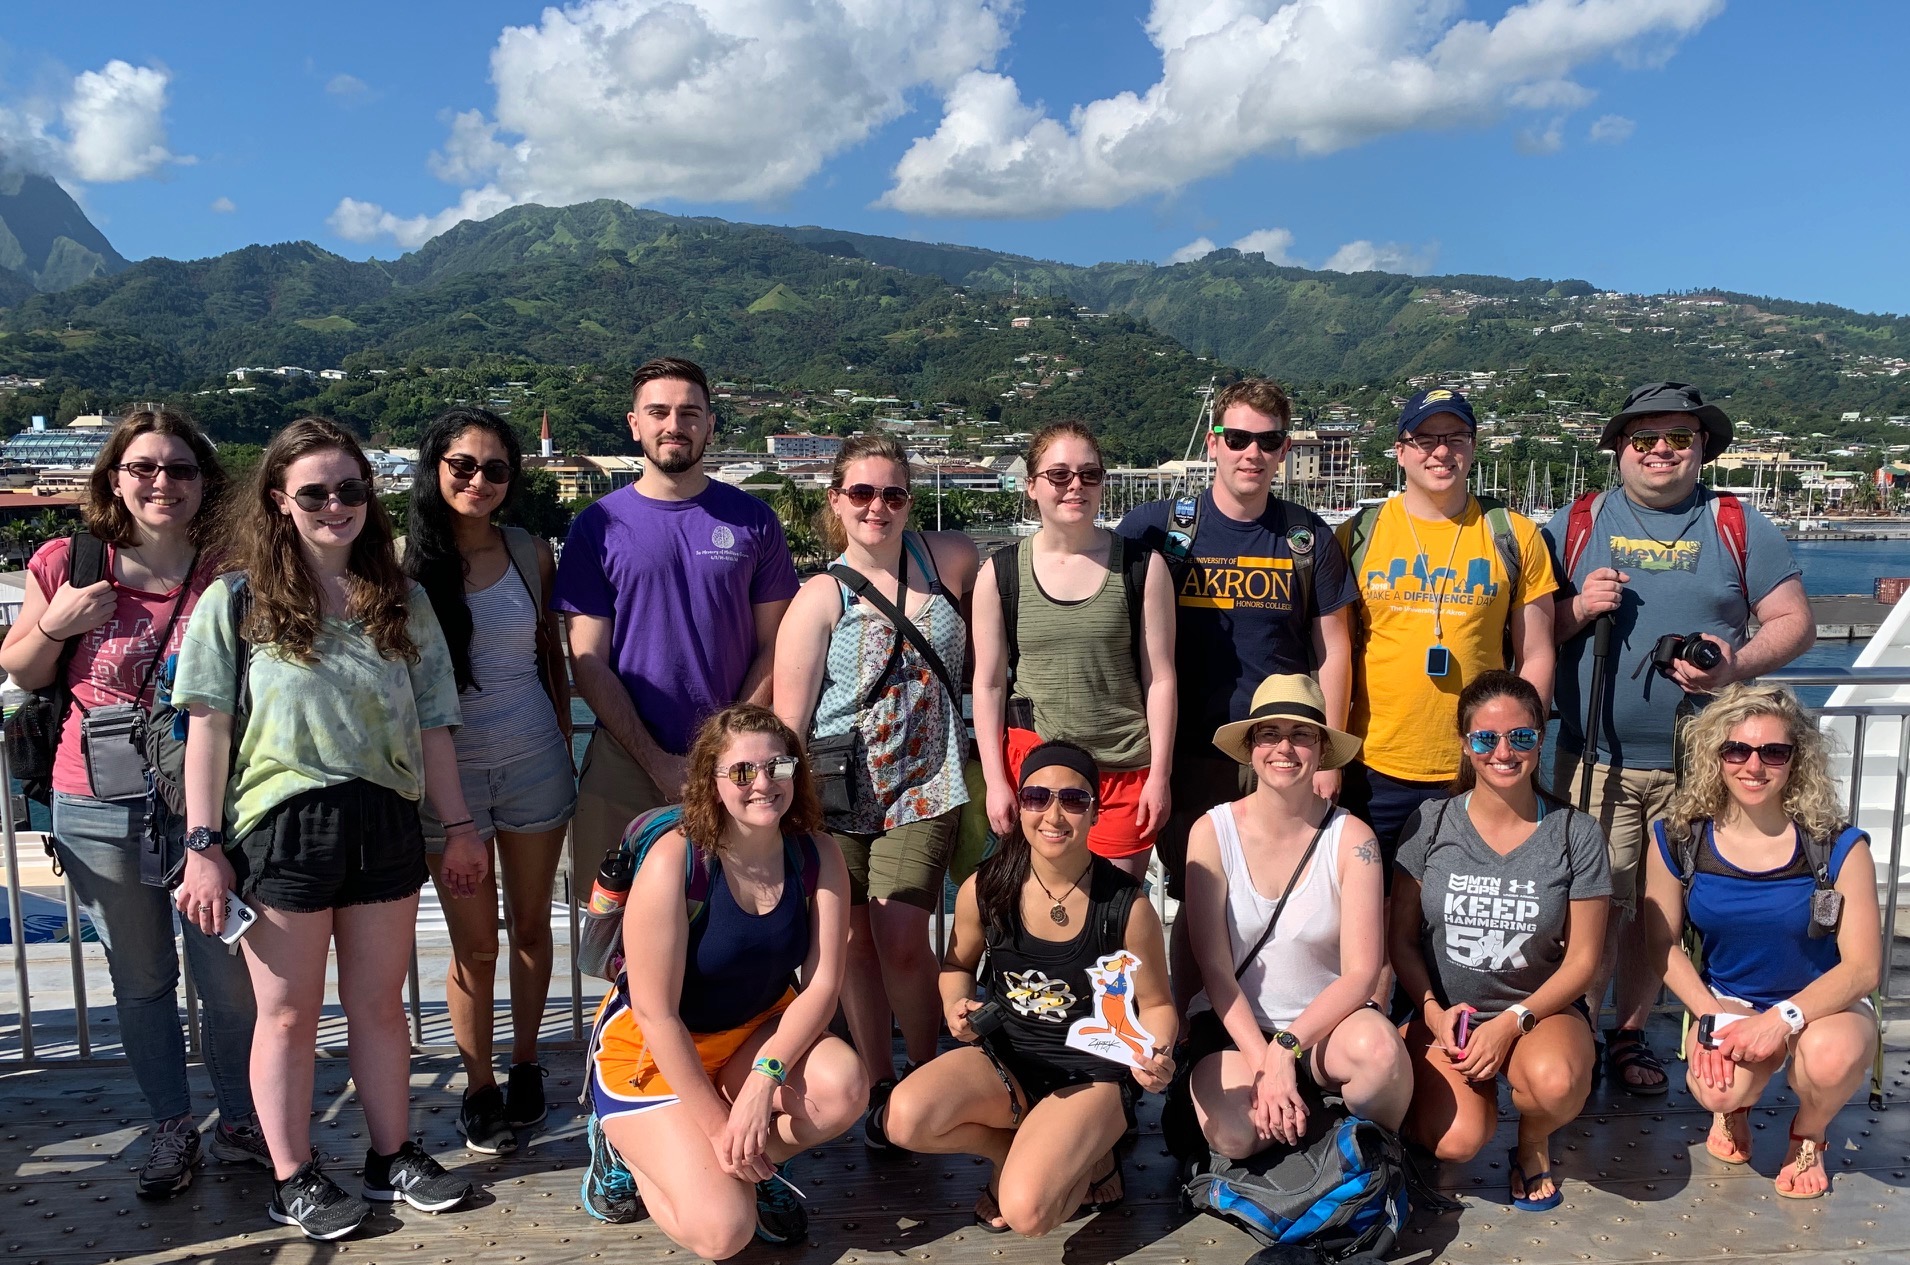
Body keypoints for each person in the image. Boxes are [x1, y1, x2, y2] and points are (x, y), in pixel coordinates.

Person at [171, 418, 478, 1240]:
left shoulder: (403, 600)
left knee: (381, 1004)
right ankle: (293, 1173)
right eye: (314, 491)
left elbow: (434, 728)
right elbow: (208, 727)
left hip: (384, 818)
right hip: (282, 824)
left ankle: (391, 1153)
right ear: (279, 500)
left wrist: (459, 827)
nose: (335, 504)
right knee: (287, 1015)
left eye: (350, 488)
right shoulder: (235, 600)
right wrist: (203, 847)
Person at [0, 409, 267, 1196]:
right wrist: (57, 620)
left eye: (180, 469)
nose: (161, 482)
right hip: (97, 799)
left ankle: (243, 1119)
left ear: (204, 482)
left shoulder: (232, 565)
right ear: (114, 477)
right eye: (144, 467)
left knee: (226, 976)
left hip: (212, 804)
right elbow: (20, 668)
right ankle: (170, 1127)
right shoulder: (69, 560)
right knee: (141, 977)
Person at [1544, 382, 1813, 1096]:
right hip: (1593, 759)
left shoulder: (1738, 523)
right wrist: (1575, 607)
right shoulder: (1572, 523)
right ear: (1617, 448)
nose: (1660, 451)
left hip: (1708, 766)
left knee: (1659, 915)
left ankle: (1629, 1033)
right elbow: (1528, 628)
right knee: (1593, 903)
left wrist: (1736, 663)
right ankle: (1573, 1026)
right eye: (1643, 438)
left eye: (1677, 439)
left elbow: (1793, 621)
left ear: (1701, 449)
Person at [586, 704, 864, 1257]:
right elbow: (655, 1014)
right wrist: (719, 1130)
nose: (763, 783)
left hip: (753, 1035)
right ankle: (622, 1150)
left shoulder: (816, 853)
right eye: (741, 772)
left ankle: (748, 1168)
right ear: (711, 783)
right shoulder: (676, 862)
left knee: (844, 1089)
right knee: (723, 1233)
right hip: (653, 1055)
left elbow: (823, 984)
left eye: (778, 767)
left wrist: (764, 1080)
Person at [1117, 378, 1358, 998]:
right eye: (1238, 437)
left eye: (1268, 440)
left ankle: (1268, 1039)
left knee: (1269, 906)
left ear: (1282, 451)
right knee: (1198, 904)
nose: (1252, 452)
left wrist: (1329, 755)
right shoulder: (1157, 530)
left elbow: (1334, 651)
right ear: (1214, 441)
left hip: (1279, 754)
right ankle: (1187, 1043)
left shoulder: (1307, 538)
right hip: (1188, 754)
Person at [772, 434, 977, 1149]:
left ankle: (928, 1076)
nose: (877, 507)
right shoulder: (818, 597)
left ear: (909, 501)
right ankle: (881, 1080)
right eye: (860, 493)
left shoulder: (946, 558)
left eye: (892, 493)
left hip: (927, 783)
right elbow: (790, 723)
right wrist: (778, 813)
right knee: (853, 942)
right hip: (836, 793)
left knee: (899, 938)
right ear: (836, 500)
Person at [882, 741, 1177, 1237]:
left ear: (1096, 810)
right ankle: (1014, 1150)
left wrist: (1155, 1053)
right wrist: (956, 1004)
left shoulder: (1128, 907)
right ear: (1020, 806)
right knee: (903, 1119)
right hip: (1006, 1061)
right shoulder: (987, 887)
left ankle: (1096, 1147)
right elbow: (956, 965)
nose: (1054, 814)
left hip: (1092, 1075)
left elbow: (1158, 1004)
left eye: (1074, 800)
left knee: (1027, 1215)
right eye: (1037, 797)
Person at [404, 407, 576, 1154]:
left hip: (536, 759)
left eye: (495, 468)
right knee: (475, 945)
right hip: (451, 779)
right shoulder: (404, 564)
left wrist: (566, 743)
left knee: (534, 929)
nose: (478, 480)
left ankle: (527, 1062)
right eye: (462, 465)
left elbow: (551, 658)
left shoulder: (530, 552)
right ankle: (478, 1084)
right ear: (434, 468)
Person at [556, 356, 799, 882]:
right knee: (615, 931)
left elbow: (777, 645)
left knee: (731, 925)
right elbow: (587, 657)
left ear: (710, 424)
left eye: (690, 413)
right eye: (658, 411)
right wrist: (655, 760)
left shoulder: (754, 520)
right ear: (634, 423)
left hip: (739, 766)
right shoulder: (594, 526)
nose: (674, 425)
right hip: (626, 756)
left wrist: (725, 748)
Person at [1641, 683, 1880, 1199]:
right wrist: (1712, 1015)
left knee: (1828, 1058)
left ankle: (1810, 1131)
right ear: (1715, 755)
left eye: (1774, 752)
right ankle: (1737, 1111)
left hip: (1824, 1006)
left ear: (1797, 759)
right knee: (1716, 1086)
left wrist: (1784, 1019)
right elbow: (1658, 942)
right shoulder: (1679, 838)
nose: (1754, 766)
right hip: (1733, 1000)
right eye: (1736, 750)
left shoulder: (1837, 845)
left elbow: (1862, 969)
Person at [1389, 671, 1609, 1213]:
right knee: (1456, 1143)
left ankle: (1532, 1139)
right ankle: (1451, 1092)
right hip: (1450, 1018)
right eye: (1486, 738)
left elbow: (1583, 960)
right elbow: (1402, 941)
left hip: (1540, 1012)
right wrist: (1434, 1013)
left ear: (1540, 739)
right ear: (1466, 744)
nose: (1504, 752)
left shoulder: (1574, 832)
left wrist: (1513, 1023)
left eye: (1522, 737)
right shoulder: (1431, 821)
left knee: (1554, 1084)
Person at [1183, 674, 1411, 1156]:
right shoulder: (1211, 831)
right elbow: (1216, 971)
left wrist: (1288, 1047)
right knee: (1238, 1136)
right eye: (1269, 733)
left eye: (1301, 734)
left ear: (1321, 748)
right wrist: (1264, 1061)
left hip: (1326, 1029)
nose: (1284, 747)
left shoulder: (1354, 839)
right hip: (1236, 1030)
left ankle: (1378, 1158)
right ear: (1250, 746)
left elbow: (1361, 973)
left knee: (1383, 1059)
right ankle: (1310, 1137)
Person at [1336, 389, 1556, 861]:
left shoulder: (1514, 534)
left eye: (1456, 437)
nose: (1441, 451)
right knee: (1374, 909)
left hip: (1478, 762)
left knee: (1463, 916)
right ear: (1400, 451)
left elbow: (1536, 651)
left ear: (1474, 447)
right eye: (1425, 439)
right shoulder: (1357, 534)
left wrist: (1522, 745)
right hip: (1374, 763)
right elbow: (1332, 650)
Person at [973, 420, 1176, 881]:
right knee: (1045, 918)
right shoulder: (1001, 574)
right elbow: (987, 685)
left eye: (1089, 474)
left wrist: (1160, 776)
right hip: (1040, 777)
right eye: (1059, 475)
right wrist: (995, 783)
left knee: (1116, 922)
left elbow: (1160, 677)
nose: (1075, 486)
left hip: (1123, 771)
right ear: (1031, 486)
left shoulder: (1144, 568)